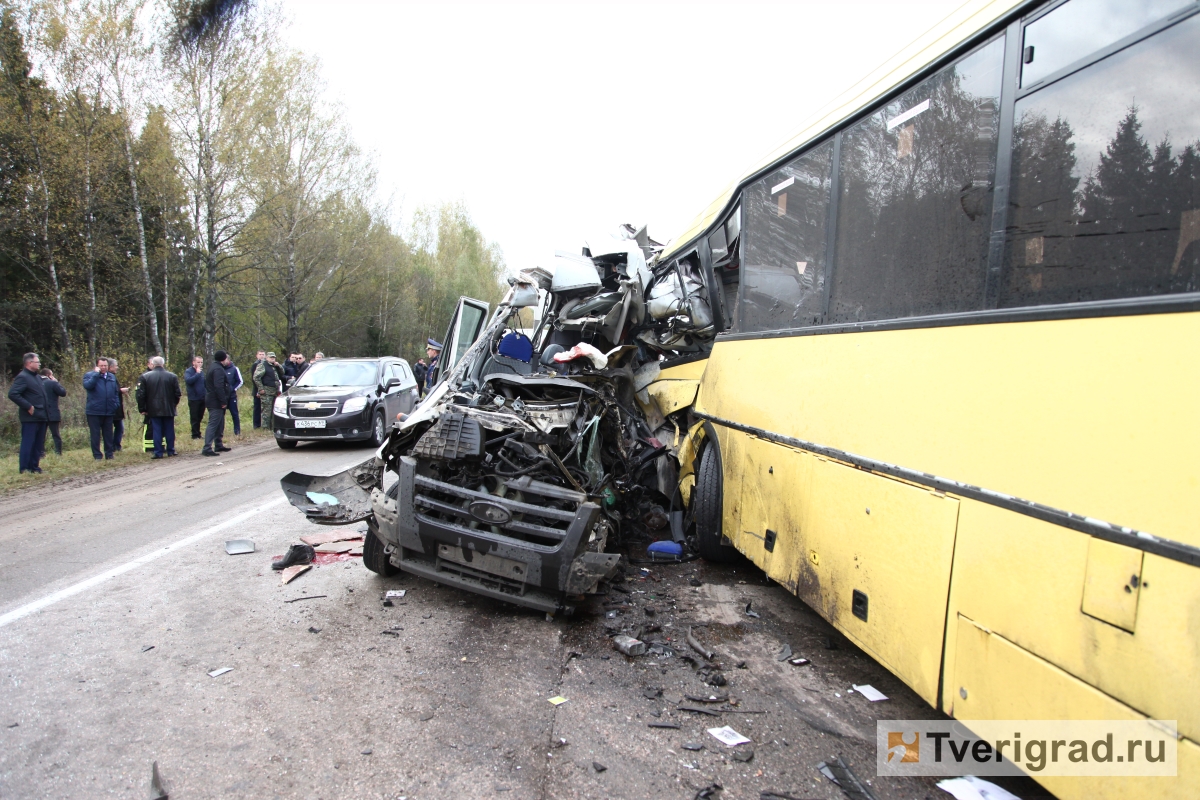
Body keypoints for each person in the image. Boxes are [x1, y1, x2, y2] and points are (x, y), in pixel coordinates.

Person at [7, 353, 48, 474]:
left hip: (41, 415)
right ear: (29, 363)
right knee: (28, 443)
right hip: (30, 417)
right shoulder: (23, 377)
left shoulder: (36, 377)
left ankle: (34, 467)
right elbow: (13, 394)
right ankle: (24, 468)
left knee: (38, 444)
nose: (39, 364)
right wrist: (28, 406)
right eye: (37, 362)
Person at [136, 356, 181, 459]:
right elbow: (177, 393)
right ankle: (171, 450)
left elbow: (141, 395)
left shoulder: (145, 377)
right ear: (163, 364)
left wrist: (143, 408)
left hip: (153, 408)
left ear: (153, 364)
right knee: (169, 429)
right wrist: (173, 404)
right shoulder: (172, 376)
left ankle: (158, 452)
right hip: (168, 407)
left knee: (157, 430)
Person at [82, 357, 121, 460]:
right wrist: (96, 374)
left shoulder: (112, 377)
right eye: (101, 366)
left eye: (105, 365)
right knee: (95, 434)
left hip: (108, 410)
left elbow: (116, 392)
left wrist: (115, 404)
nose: (103, 367)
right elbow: (87, 386)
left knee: (108, 434)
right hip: (94, 411)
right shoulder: (89, 375)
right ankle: (97, 455)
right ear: (97, 366)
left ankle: (109, 454)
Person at [202, 350, 233, 456]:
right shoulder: (218, 369)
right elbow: (218, 386)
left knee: (220, 423)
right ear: (223, 359)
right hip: (216, 401)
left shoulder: (213, 367)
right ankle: (207, 447)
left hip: (213, 399)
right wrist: (223, 401)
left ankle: (218, 444)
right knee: (213, 423)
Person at [38, 367, 66, 457]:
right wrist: (57, 382)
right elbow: (63, 393)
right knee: (56, 434)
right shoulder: (52, 383)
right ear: (48, 375)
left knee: (41, 435)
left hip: (40, 413)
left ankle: (41, 453)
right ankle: (58, 452)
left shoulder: (36, 383)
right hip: (53, 412)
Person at [253, 351, 284, 426]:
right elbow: (256, 377)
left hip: (275, 391)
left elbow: (282, 373)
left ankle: (272, 426)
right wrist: (261, 389)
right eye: (271, 357)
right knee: (266, 410)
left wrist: (278, 366)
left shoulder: (274, 366)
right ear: (267, 358)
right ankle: (265, 427)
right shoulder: (262, 365)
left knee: (274, 409)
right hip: (267, 390)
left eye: (273, 357)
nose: (272, 359)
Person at [106, 358, 131, 452]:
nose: (117, 367)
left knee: (118, 427)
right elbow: (112, 390)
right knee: (118, 427)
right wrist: (121, 390)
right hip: (114, 408)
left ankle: (114, 445)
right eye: (116, 366)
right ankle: (115, 446)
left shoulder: (111, 376)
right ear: (111, 367)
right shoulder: (110, 377)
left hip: (115, 407)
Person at [184, 356, 206, 439]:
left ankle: (198, 433)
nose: (200, 364)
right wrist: (197, 373)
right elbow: (189, 381)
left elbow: (204, 383)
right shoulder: (189, 371)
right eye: (198, 362)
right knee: (194, 417)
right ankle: (194, 434)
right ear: (193, 362)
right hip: (193, 398)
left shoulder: (202, 372)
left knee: (200, 416)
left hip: (202, 397)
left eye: (201, 362)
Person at [223, 356, 244, 436]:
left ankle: (237, 431)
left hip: (232, 396)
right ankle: (221, 431)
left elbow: (240, 381)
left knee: (234, 413)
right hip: (223, 396)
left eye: (225, 359)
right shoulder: (220, 369)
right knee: (221, 414)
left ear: (228, 360)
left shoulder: (235, 368)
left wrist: (233, 389)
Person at [250, 350, 266, 428]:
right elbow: (254, 379)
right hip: (257, 390)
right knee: (257, 408)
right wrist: (258, 390)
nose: (261, 356)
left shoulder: (266, 364)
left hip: (265, 389)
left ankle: (263, 424)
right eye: (260, 354)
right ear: (257, 355)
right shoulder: (255, 365)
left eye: (263, 354)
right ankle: (256, 425)